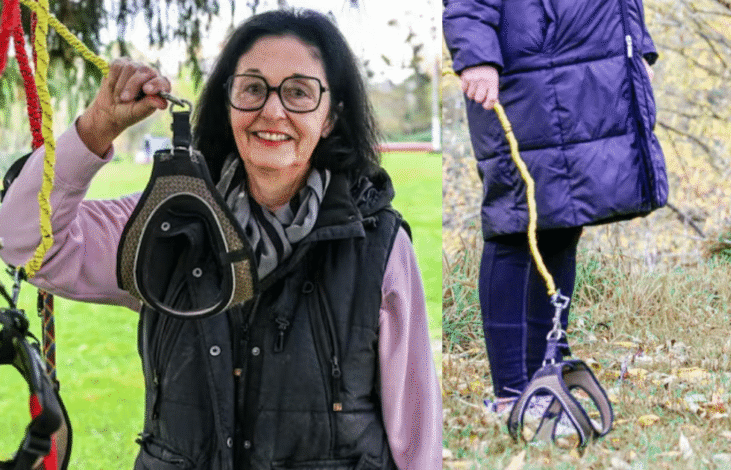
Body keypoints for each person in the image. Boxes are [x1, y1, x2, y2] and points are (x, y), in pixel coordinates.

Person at [0, 8, 441, 469]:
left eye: (298, 92)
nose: (273, 111)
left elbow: (417, 440)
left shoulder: (378, 245)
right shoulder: (163, 222)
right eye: (253, 88)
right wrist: (97, 127)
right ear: (228, 101)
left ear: (330, 117)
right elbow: (24, 242)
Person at [443, 0, 668, 414]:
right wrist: (475, 56)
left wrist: (635, 47)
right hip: (522, 69)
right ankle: (511, 394)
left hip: (587, 68)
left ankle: (544, 383)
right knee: (514, 224)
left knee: (564, 222)